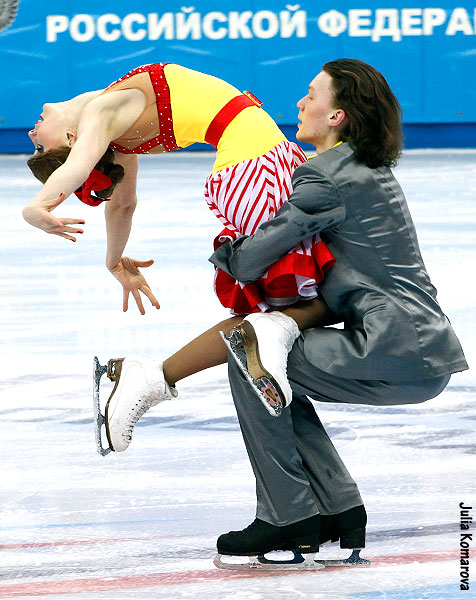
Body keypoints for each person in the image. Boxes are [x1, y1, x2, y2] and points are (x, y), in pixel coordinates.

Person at [203, 58, 468, 558]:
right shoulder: (365, 167)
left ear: (337, 116)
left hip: (395, 346)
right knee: (276, 373)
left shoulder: (325, 177)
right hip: (418, 346)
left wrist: (225, 248)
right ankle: (336, 508)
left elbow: (254, 257)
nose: (300, 103)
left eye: (311, 95)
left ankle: (287, 515)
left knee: (251, 358)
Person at [23, 62, 336, 442]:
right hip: (256, 166)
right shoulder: (100, 116)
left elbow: (123, 205)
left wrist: (113, 259)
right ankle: (153, 378)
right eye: (40, 144)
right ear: (73, 138)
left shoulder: (113, 128)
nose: (31, 131)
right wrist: (36, 206)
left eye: (35, 143)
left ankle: (152, 377)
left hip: (263, 160)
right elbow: (79, 170)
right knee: (298, 298)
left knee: (292, 300)